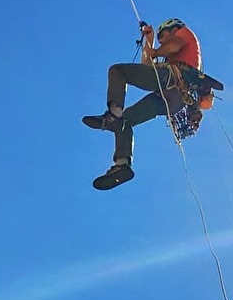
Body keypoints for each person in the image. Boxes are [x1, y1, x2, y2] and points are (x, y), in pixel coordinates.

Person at [81, 18, 217, 190]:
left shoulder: (182, 33)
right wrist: (149, 39)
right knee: (125, 122)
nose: (161, 39)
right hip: (172, 99)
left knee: (117, 71)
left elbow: (174, 45)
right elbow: (147, 66)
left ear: (173, 28)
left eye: (162, 35)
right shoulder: (167, 54)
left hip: (173, 80)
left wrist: (157, 50)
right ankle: (122, 165)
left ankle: (113, 114)